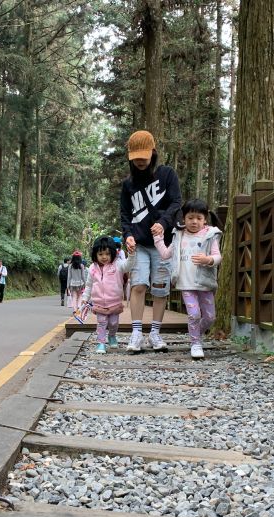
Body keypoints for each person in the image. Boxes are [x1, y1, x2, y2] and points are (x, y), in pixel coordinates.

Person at [120, 130, 182, 353]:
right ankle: (136, 333)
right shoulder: (128, 185)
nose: (139, 161)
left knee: (159, 289)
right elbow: (125, 215)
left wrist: (164, 223)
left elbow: (176, 202)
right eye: (135, 158)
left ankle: (155, 333)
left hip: (162, 244)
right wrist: (127, 235)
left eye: (143, 157)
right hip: (139, 245)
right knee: (138, 285)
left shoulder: (167, 175)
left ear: (153, 153)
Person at [154, 199, 222, 359]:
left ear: (205, 219)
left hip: (204, 283)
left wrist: (208, 259)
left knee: (210, 317)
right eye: (190, 217)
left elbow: (218, 256)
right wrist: (158, 239)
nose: (194, 221)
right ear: (183, 218)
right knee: (193, 314)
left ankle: (195, 334)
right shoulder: (179, 235)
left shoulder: (210, 234)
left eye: (199, 218)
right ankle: (195, 343)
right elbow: (165, 254)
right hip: (186, 283)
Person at [81, 236, 132, 354]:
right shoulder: (92, 268)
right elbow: (89, 285)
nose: (104, 257)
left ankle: (112, 336)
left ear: (113, 253)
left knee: (113, 323)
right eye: (100, 254)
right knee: (102, 323)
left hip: (114, 302)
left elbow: (128, 266)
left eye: (107, 254)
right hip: (99, 303)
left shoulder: (118, 265)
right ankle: (101, 343)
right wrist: (85, 298)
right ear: (95, 255)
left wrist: (132, 255)